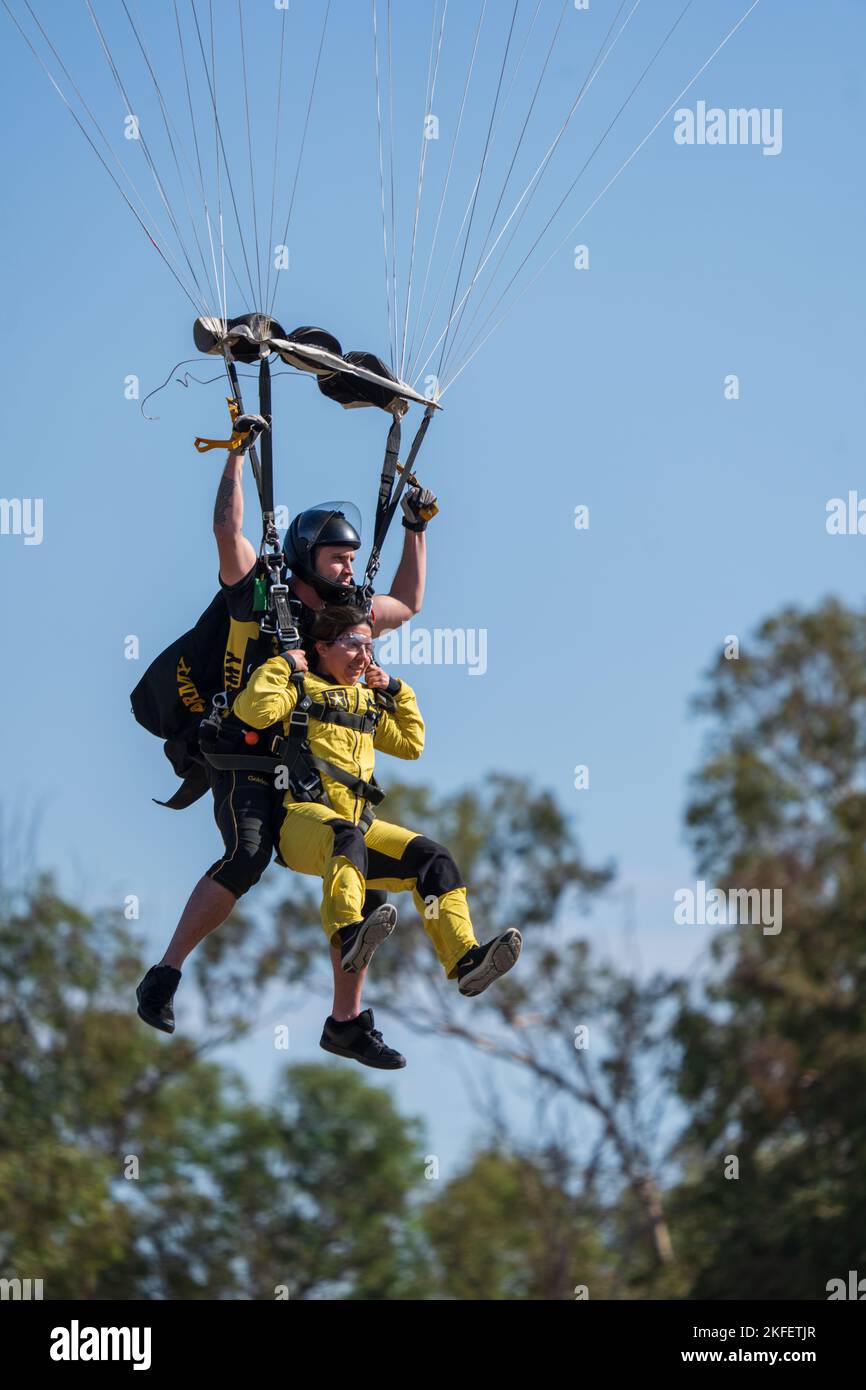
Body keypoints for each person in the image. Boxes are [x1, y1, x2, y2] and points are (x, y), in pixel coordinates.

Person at [136, 435, 436, 1065]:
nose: (349, 570)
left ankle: (345, 1023)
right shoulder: (257, 594)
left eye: (353, 559)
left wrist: (414, 528)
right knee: (247, 855)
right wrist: (237, 453)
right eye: (337, 558)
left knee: (357, 866)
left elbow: (406, 604)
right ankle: (164, 974)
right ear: (307, 555)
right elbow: (226, 530)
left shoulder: (346, 613)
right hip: (245, 751)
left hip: (311, 766)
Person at [230, 605, 521, 1054]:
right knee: (344, 837)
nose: (363, 655)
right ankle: (350, 931)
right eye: (352, 644)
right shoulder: (300, 689)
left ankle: (465, 958)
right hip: (302, 825)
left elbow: (411, 744)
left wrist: (398, 690)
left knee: (433, 858)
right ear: (322, 648)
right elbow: (254, 711)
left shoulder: (367, 701)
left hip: (356, 828)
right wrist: (285, 663)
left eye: (369, 646)